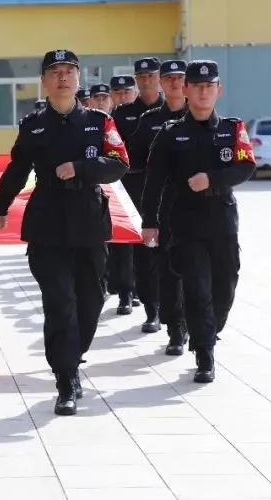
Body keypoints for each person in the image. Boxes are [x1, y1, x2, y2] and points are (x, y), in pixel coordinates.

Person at [0, 49, 130, 416]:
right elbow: (17, 168)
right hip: (47, 224)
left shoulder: (99, 122)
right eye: (55, 72)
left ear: (78, 78)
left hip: (88, 221)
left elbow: (118, 163)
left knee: (91, 301)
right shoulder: (33, 125)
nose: (63, 78)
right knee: (60, 303)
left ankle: (73, 354)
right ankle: (66, 378)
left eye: (69, 71)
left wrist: (81, 168)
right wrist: (1, 205)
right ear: (44, 81)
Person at [140, 60, 255, 383]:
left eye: (209, 86)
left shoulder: (232, 129)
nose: (203, 92)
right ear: (186, 90)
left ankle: (208, 330)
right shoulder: (171, 134)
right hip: (186, 222)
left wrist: (213, 179)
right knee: (197, 288)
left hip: (222, 220)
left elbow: (245, 166)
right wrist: (149, 221)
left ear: (218, 90)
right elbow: (154, 182)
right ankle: (204, 353)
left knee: (225, 286)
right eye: (197, 87)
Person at [128, 59, 188, 354]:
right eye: (170, 78)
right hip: (160, 206)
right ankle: (175, 327)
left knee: (199, 269)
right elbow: (131, 161)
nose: (175, 83)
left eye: (180, 78)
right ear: (162, 83)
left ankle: (199, 323)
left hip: (199, 207)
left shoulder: (202, 115)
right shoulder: (150, 121)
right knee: (165, 269)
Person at [113, 58, 164, 326]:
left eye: (151, 75)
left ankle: (178, 313)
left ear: (159, 78)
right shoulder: (122, 114)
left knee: (173, 251)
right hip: (133, 190)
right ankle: (148, 306)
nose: (146, 81)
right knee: (139, 251)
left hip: (169, 192)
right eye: (141, 77)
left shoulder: (177, 110)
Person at [105, 74, 142, 313]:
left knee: (144, 239)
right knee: (121, 241)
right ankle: (125, 291)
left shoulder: (148, 114)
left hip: (143, 185)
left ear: (135, 92)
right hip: (118, 185)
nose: (122, 96)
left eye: (126, 92)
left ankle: (141, 288)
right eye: (117, 93)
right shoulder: (109, 120)